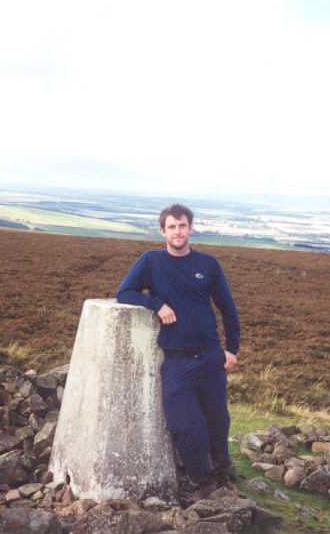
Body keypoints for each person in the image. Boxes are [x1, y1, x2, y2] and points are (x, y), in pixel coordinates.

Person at [116, 203, 240, 500]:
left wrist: (232, 349)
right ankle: (204, 482)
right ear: (163, 231)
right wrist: (156, 304)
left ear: (191, 228)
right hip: (176, 360)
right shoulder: (150, 261)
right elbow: (125, 292)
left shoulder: (208, 264)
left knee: (217, 419)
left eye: (182, 225)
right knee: (185, 424)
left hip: (210, 356)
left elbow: (228, 308)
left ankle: (224, 472)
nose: (177, 231)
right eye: (171, 227)